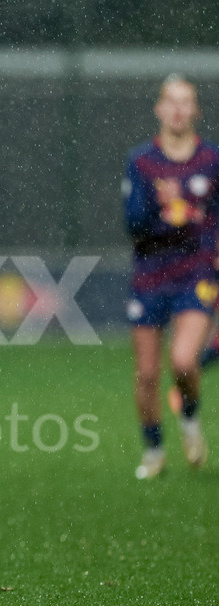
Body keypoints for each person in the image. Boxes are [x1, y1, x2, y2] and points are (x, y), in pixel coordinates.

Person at [124, 74, 219, 480]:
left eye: (186, 102)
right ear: (159, 109)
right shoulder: (142, 161)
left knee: (183, 360)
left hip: (196, 272)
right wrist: (160, 210)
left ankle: (190, 422)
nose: (178, 109)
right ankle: (154, 451)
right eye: (171, 101)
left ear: (195, 110)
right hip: (149, 275)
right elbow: (132, 223)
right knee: (146, 374)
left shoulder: (212, 161)